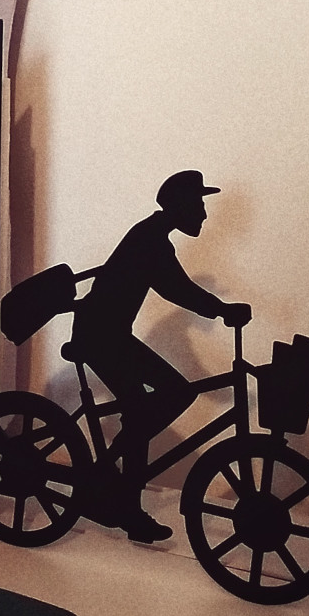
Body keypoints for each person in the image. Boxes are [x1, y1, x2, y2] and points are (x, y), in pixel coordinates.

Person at [70, 171, 249, 543]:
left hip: (111, 335)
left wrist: (219, 308)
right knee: (155, 402)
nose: (202, 214)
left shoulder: (153, 236)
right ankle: (124, 502)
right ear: (180, 206)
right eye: (198, 205)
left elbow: (175, 287)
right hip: (100, 336)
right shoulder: (150, 240)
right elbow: (176, 288)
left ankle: (116, 476)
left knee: (164, 399)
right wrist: (221, 310)